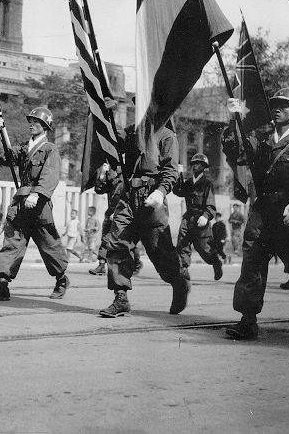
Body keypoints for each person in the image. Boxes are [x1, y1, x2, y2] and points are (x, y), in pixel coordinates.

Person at [223, 88, 289, 339]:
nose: (277, 109)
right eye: (275, 105)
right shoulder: (263, 141)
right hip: (263, 210)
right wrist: (233, 120)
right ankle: (248, 320)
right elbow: (238, 150)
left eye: (284, 105)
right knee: (252, 262)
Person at [100, 100, 189, 318]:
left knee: (160, 251)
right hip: (129, 196)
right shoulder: (131, 133)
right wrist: (108, 114)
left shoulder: (167, 136)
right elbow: (112, 141)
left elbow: (170, 170)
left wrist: (160, 192)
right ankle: (120, 297)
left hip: (152, 197)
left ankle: (178, 282)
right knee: (117, 243)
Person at [0, 107, 70, 301]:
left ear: (46, 126)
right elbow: (3, 157)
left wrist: (37, 194)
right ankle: (2, 286)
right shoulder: (24, 148)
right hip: (21, 204)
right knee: (12, 242)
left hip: (38, 205)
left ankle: (61, 279)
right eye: (30, 120)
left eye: (36, 121)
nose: (32, 124)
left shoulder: (50, 149)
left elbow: (50, 174)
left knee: (49, 245)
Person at [173, 153, 223, 281]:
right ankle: (184, 269)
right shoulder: (189, 182)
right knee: (182, 242)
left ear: (204, 167)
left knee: (204, 249)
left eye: (198, 164)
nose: (195, 166)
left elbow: (211, 204)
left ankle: (216, 262)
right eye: (194, 164)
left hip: (201, 219)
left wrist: (206, 216)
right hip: (188, 217)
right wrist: (178, 174)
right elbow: (178, 191)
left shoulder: (207, 184)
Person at [89, 163, 143, 277]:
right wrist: (102, 174)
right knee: (105, 239)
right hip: (110, 212)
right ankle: (101, 265)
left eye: (119, 165)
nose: (116, 167)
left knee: (126, 241)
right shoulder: (113, 180)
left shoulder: (129, 179)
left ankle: (137, 262)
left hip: (123, 212)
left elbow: (130, 198)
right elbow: (99, 189)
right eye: (116, 165)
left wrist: (120, 211)